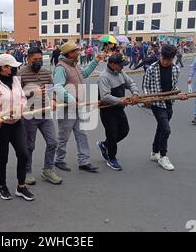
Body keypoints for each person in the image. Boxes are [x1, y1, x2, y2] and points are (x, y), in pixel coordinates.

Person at [0, 54, 35, 202]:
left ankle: (21, 186)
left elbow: (23, 97)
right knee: (3, 156)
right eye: (11, 67)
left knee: (23, 154)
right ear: (3, 68)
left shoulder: (16, 80)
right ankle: (2, 186)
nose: (15, 69)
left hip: (17, 123)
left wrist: (21, 107)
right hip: (0, 125)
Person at [53, 41, 104, 173]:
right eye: (76, 51)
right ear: (69, 53)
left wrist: (95, 61)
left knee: (82, 135)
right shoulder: (61, 68)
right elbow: (58, 87)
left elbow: (84, 74)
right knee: (63, 136)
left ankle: (84, 161)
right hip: (67, 108)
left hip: (78, 106)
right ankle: (59, 160)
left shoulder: (75, 64)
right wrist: (70, 99)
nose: (79, 52)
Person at [18, 47, 63, 186]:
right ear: (28, 59)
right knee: (29, 145)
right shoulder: (21, 73)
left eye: (39, 59)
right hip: (29, 115)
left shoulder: (46, 73)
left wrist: (54, 99)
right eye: (34, 60)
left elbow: (54, 88)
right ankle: (27, 171)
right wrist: (31, 92)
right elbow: (16, 94)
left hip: (45, 113)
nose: (38, 62)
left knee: (52, 142)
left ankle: (48, 170)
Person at [142, 45, 188, 171]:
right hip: (157, 104)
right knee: (166, 130)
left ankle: (154, 152)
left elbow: (174, 86)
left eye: (169, 60)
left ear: (173, 59)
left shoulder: (176, 69)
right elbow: (145, 86)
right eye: (163, 59)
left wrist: (179, 95)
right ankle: (163, 156)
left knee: (160, 128)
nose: (165, 62)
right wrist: (147, 98)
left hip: (169, 102)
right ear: (161, 56)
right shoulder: (152, 68)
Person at [97, 54, 139, 171]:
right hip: (108, 110)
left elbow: (130, 83)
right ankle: (111, 158)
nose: (122, 67)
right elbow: (105, 97)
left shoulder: (120, 72)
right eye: (120, 65)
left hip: (119, 108)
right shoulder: (103, 77)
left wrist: (135, 93)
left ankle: (105, 145)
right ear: (112, 64)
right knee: (112, 134)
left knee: (124, 131)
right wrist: (121, 101)